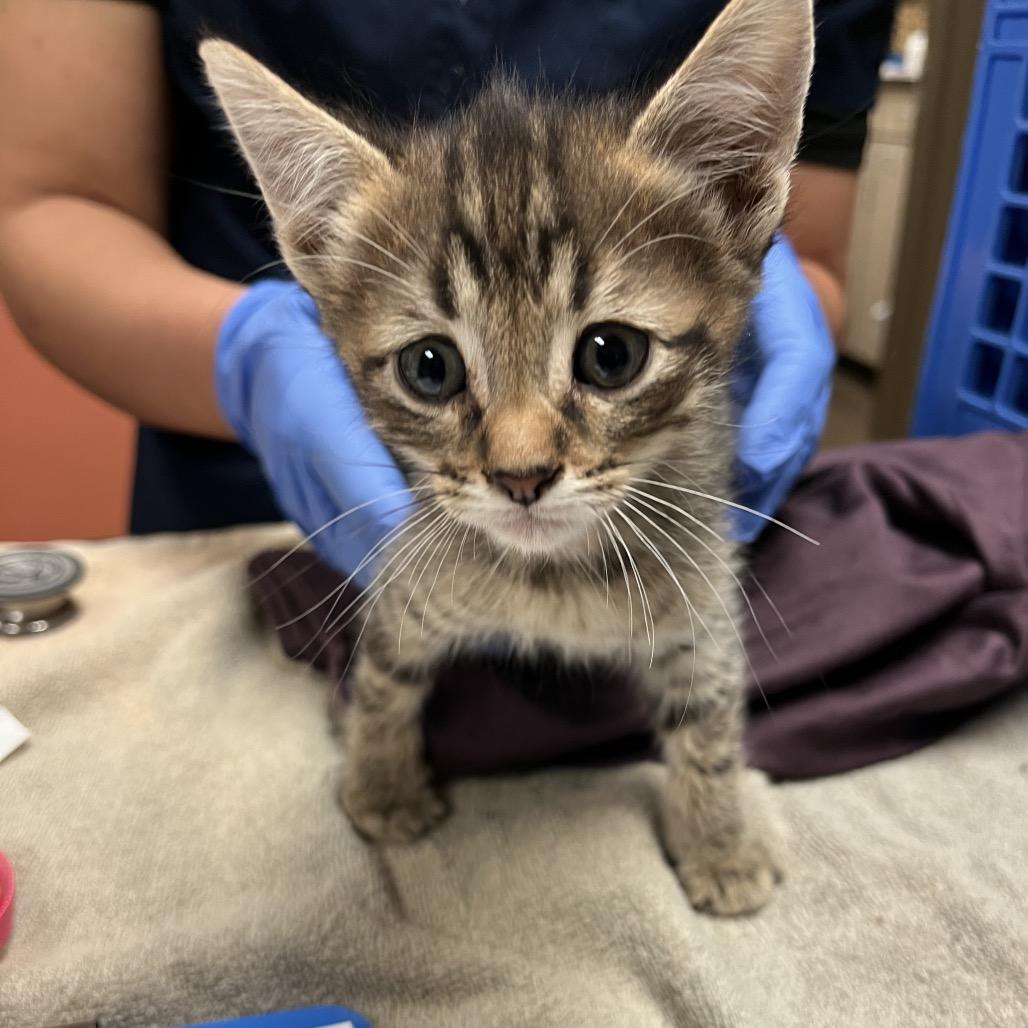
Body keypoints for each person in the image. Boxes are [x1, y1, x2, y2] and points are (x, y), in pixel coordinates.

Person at [0, 0, 895, 577]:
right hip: (283, 523)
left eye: (604, 353)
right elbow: (51, 205)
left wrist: (751, 277)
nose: (519, 466)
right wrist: (244, 361)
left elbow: (806, 257)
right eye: (436, 365)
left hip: (654, 508)